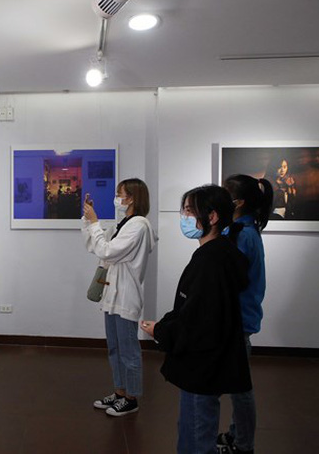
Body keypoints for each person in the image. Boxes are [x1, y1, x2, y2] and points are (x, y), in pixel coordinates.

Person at [140, 185, 251, 454]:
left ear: (212, 217)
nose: (184, 217)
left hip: (202, 363)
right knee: (194, 429)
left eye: (189, 211)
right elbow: (194, 307)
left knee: (196, 435)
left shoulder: (210, 262)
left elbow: (199, 318)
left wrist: (161, 331)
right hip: (209, 361)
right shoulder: (221, 254)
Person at [82, 178, 158, 416]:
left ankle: (132, 397)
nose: (117, 198)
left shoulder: (139, 225)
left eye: (120, 194)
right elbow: (96, 245)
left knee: (129, 350)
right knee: (115, 348)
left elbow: (107, 250)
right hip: (112, 294)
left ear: (132, 198)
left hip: (126, 297)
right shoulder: (123, 223)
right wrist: (89, 219)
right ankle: (120, 393)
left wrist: (94, 222)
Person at [217, 175, 273, 454]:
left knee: (240, 388)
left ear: (237, 202)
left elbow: (230, 279)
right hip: (239, 317)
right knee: (237, 383)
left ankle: (243, 445)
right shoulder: (243, 230)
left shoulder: (242, 235)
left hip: (237, 318)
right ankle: (236, 434)